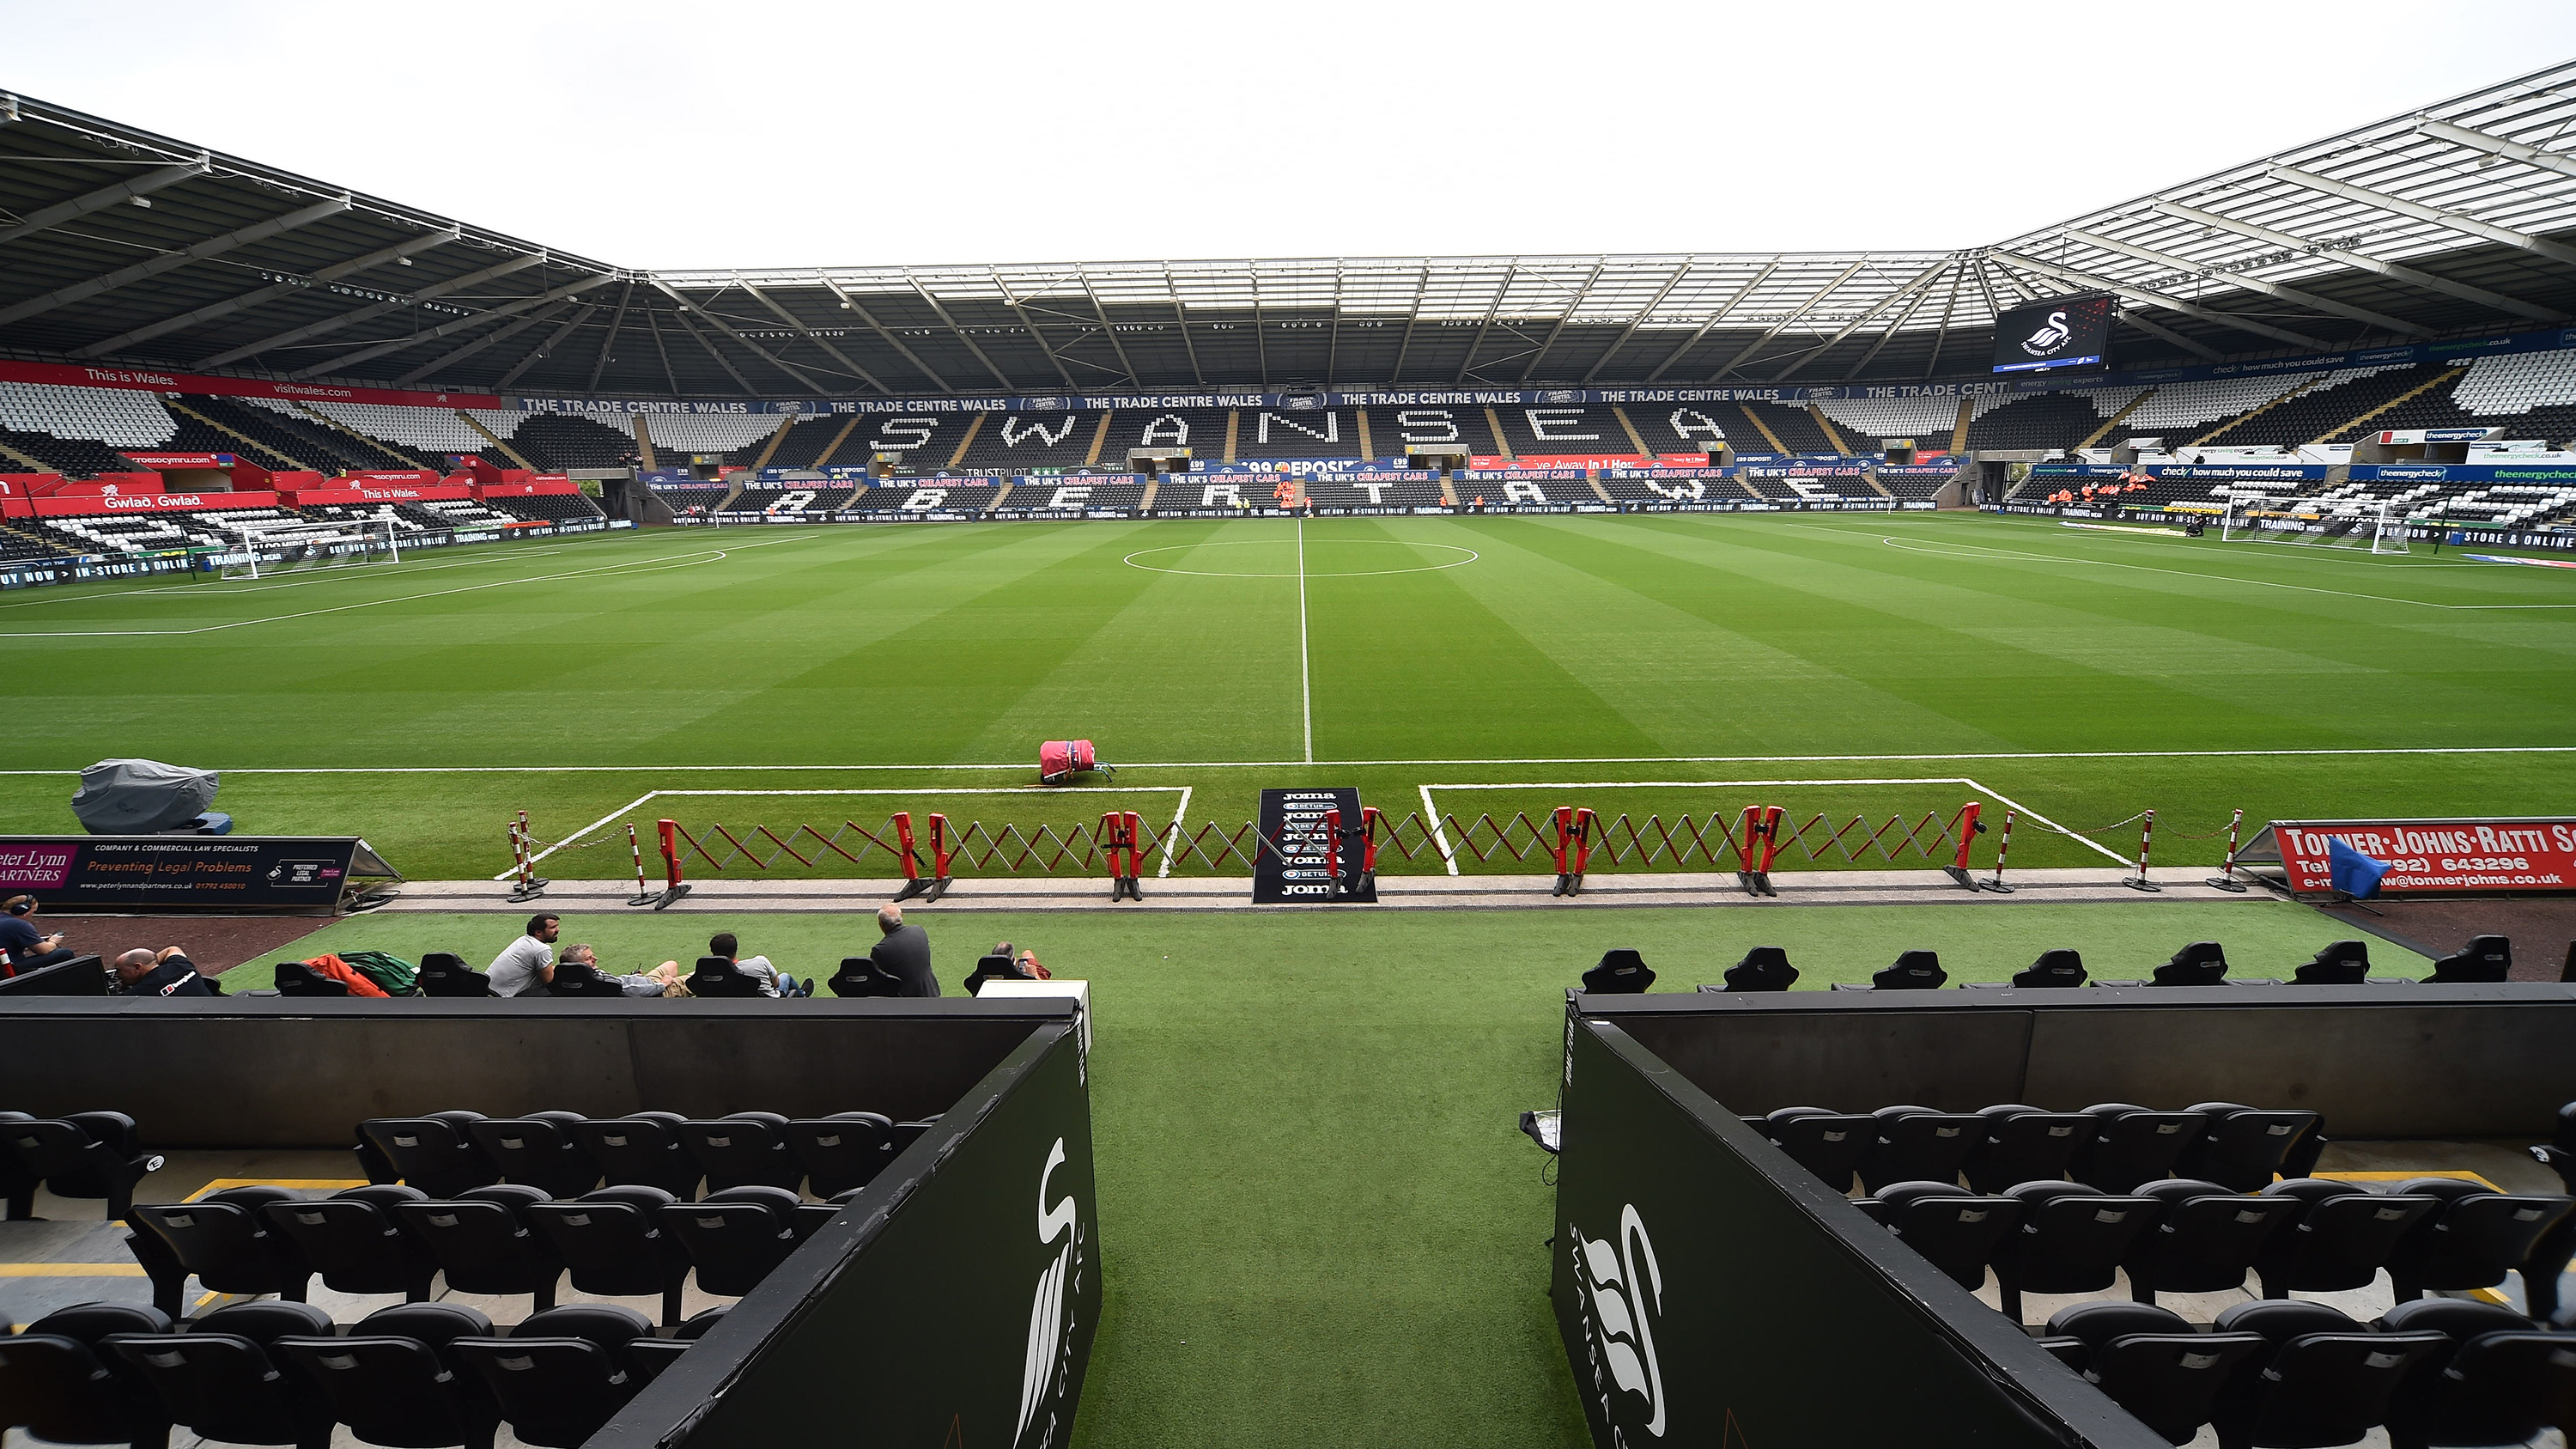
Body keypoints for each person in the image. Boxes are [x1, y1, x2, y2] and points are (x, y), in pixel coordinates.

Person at [699, 931, 805, 998]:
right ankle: (803, 995)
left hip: (728, 1008)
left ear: (713, 951)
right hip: (768, 1005)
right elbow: (776, 984)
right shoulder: (759, 962)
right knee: (785, 977)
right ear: (735, 949)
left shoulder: (706, 973)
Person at [556, 942, 677, 997]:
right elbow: (630, 992)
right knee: (691, 977)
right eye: (589, 958)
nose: (595, 959)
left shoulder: (578, 980)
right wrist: (663, 984)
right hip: (654, 991)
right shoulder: (601, 984)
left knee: (672, 964)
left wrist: (632, 976)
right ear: (577, 965)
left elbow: (618, 983)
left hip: (643, 983)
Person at [872, 904, 939, 997]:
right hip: (930, 993)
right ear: (901, 917)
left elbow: (877, 980)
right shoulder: (918, 931)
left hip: (904, 1001)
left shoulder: (880, 950)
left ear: (881, 924)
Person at [486, 913, 562, 997]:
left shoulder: (523, 940)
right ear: (538, 932)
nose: (558, 930)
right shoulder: (541, 949)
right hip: (502, 998)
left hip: (488, 991)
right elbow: (548, 982)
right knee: (560, 989)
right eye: (552, 927)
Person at [1, 897, 76, 977]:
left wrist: (35, 940)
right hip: (7, 969)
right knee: (65, 953)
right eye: (33, 912)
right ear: (23, 911)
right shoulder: (19, 924)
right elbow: (44, 950)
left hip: (3, 964)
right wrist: (53, 941)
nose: (32, 916)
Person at [112, 947, 215, 998]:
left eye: (119, 970)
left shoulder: (135, 995)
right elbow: (173, 949)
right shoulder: (180, 966)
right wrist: (151, 962)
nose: (116, 975)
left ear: (137, 967)